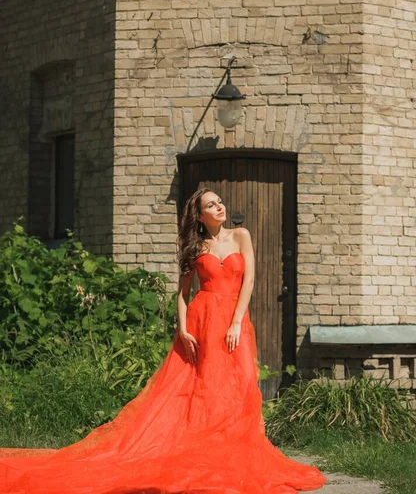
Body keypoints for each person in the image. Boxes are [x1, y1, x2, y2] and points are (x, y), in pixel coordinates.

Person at [0, 188, 326, 494]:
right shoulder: (196, 248)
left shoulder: (241, 236)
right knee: (201, 389)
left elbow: (250, 280)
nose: (220, 207)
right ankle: (200, 452)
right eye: (211, 205)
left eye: (220, 202)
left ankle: (230, 452)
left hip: (233, 321)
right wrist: (183, 330)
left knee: (239, 386)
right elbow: (183, 295)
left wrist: (237, 322)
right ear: (199, 216)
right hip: (202, 322)